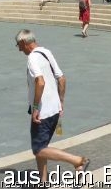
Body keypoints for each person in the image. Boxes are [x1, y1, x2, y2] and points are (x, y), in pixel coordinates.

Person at [14, 30, 89, 181]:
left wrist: (35, 108)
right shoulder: (46, 52)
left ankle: (77, 161)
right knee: (43, 146)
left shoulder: (32, 58)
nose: (19, 49)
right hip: (54, 109)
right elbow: (61, 78)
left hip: (42, 112)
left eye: (18, 45)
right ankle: (43, 181)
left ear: (24, 42)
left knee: (39, 150)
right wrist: (61, 101)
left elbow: (40, 82)